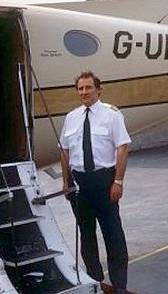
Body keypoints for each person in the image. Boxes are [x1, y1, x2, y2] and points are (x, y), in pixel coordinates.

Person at [60, 71, 131, 294]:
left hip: (104, 181)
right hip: (80, 184)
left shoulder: (112, 115)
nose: (84, 92)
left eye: (88, 88)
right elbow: (64, 150)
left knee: (113, 234)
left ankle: (119, 286)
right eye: (80, 88)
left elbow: (122, 148)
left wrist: (118, 181)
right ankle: (96, 282)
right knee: (87, 237)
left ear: (98, 90)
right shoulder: (71, 117)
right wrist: (65, 181)